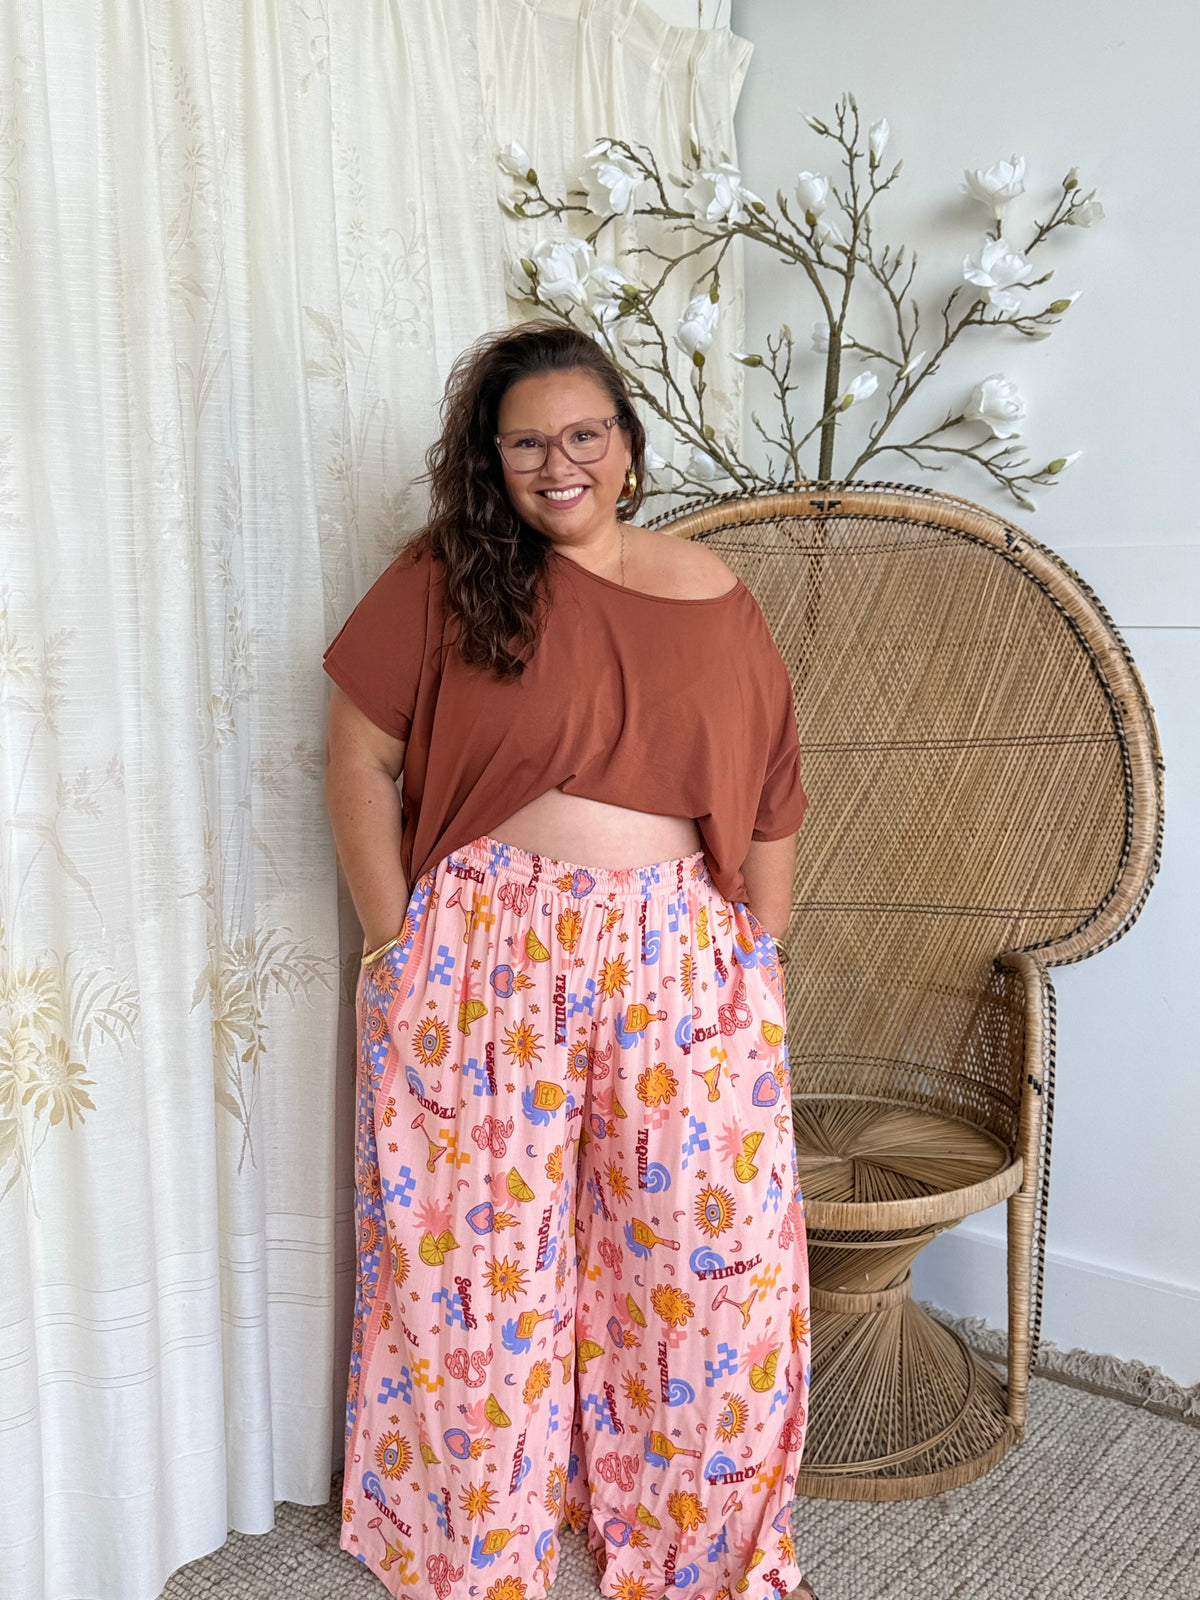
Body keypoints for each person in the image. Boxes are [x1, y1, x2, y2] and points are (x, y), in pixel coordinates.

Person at [323, 319, 815, 1600]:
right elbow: (358, 756)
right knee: (476, 1266)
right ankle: (475, 1543)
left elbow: (771, 789)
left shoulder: (713, 593)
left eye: (583, 435)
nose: (559, 464)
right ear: (492, 461)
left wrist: (758, 954)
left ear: (628, 447)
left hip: (679, 953)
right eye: (527, 443)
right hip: (486, 950)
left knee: (704, 1257)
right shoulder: (445, 579)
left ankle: (702, 1544)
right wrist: (390, 935)